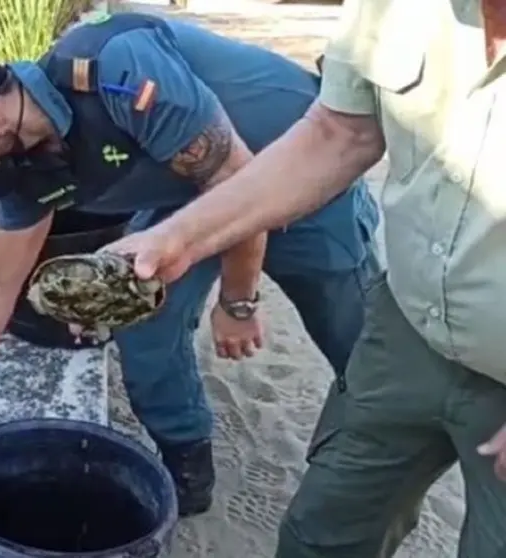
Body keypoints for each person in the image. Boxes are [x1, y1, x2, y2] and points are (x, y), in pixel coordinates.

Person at [0, 11, 381, 518]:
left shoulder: (118, 71)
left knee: (356, 336)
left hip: (300, 173)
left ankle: (384, 451)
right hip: (186, 192)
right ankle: (187, 467)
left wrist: (239, 300)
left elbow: (239, 188)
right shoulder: (27, 159)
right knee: (143, 329)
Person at [101, 0, 506, 555]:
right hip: (407, 329)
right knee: (319, 537)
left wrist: (238, 300)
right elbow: (337, 134)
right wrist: (177, 239)